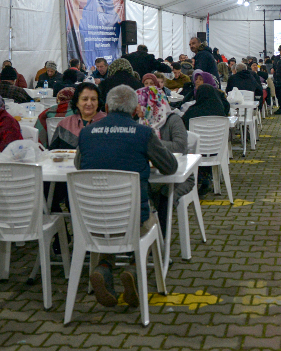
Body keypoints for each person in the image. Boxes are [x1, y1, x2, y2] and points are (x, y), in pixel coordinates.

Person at [75, 85, 178, 308]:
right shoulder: (143, 133)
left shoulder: (86, 133)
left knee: (110, 224)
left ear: (106, 107)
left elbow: (78, 166)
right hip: (133, 217)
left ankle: (104, 267)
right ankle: (133, 268)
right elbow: (170, 167)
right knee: (150, 224)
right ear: (135, 110)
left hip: (93, 218)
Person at [138, 86, 196, 238]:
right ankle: (145, 238)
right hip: (151, 175)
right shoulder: (140, 122)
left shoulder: (173, 120)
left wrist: (152, 143)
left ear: (152, 105)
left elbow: (180, 147)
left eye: (141, 105)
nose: (138, 109)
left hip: (179, 176)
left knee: (165, 196)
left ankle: (161, 243)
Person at [49, 82, 106, 150]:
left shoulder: (107, 122)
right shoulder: (64, 124)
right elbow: (52, 152)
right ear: (76, 102)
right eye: (85, 99)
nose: (89, 103)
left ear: (98, 102)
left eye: (93, 99)